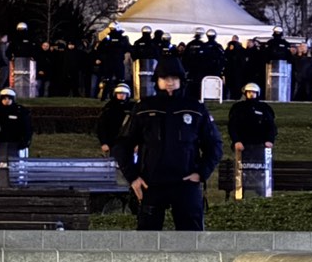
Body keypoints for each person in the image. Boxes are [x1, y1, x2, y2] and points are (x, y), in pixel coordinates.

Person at [114, 55, 222, 231]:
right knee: (148, 238)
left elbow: (214, 145)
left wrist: (201, 173)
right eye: (165, 78)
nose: (170, 82)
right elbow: (122, 145)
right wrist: (133, 177)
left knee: (191, 238)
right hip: (151, 182)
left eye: (174, 78)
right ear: (158, 81)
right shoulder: (144, 108)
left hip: (186, 182)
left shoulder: (195, 108)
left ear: (181, 80)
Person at [226, 82, 277, 159]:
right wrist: (236, 141)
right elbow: (232, 126)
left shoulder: (264, 108)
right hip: (243, 143)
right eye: (249, 92)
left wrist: (270, 140)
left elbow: (271, 126)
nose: (251, 94)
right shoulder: (238, 107)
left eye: (253, 92)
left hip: (261, 144)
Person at [0, 86, 34, 155]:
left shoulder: (20, 111)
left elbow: (27, 128)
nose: (7, 100)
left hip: (16, 144)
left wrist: (25, 142)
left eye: (9, 98)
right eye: (4, 98)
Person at [96, 82, 134, 155]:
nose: (121, 95)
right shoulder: (109, 108)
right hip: (112, 141)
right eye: (119, 93)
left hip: (129, 141)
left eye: (124, 93)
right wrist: (104, 143)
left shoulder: (132, 108)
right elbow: (102, 126)